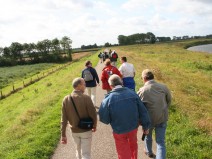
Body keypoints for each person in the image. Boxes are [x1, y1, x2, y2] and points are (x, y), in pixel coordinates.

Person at [99, 74, 151, 159]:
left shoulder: (108, 99)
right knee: (133, 146)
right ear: (121, 82)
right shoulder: (132, 93)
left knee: (122, 151)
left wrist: (111, 119)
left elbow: (104, 119)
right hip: (133, 127)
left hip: (119, 130)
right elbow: (143, 111)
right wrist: (146, 127)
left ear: (111, 86)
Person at [137, 69, 172, 159]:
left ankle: (149, 152)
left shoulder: (142, 91)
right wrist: (163, 109)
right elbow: (169, 101)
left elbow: (138, 107)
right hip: (162, 117)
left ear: (144, 78)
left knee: (148, 136)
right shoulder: (163, 87)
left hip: (148, 119)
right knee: (160, 142)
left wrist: (140, 119)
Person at [61, 77, 97, 159]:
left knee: (78, 150)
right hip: (86, 130)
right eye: (84, 84)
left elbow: (64, 119)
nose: (85, 85)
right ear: (79, 85)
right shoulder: (86, 98)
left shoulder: (66, 99)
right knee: (86, 153)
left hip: (74, 131)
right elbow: (93, 114)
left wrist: (63, 135)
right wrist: (94, 125)